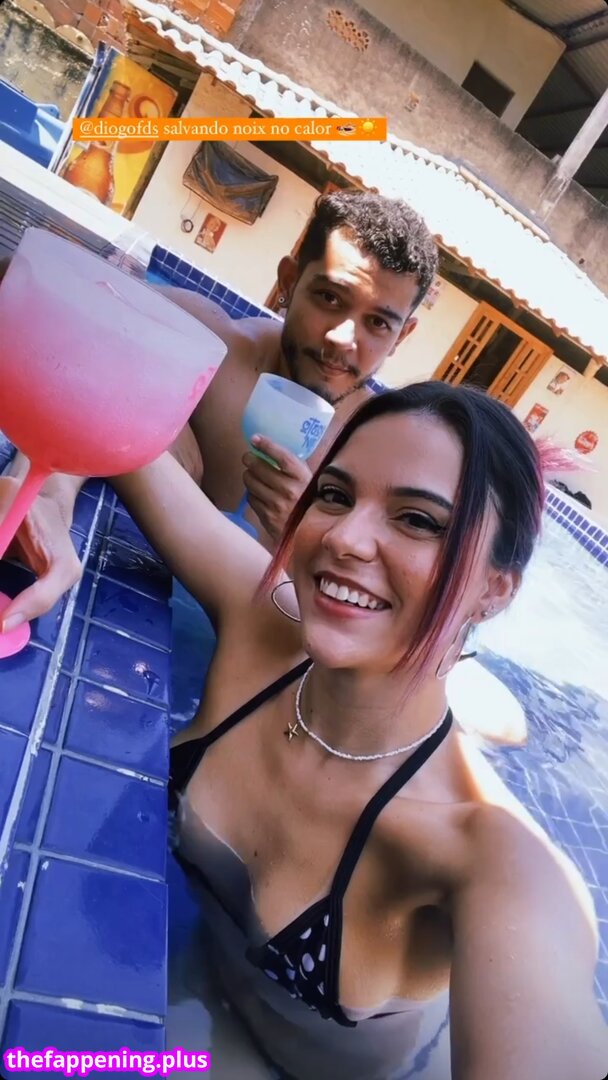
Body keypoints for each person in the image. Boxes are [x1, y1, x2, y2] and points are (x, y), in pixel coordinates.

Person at [109, 382, 607, 1080]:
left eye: (418, 520)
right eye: (336, 495)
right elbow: (114, 424)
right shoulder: (263, 621)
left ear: (496, 589)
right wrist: (51, 490)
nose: (343, 537)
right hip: (189, 989)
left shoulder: (489, 858)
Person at [0, 190, 438, 632]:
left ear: (402, 336)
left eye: (378, 323)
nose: (344, 339)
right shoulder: (212, 351)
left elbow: (380, 631)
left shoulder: (387, 457)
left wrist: (305, 538)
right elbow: (50, 306)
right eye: (329, 298)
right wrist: (50, 501)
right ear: (289, 281)